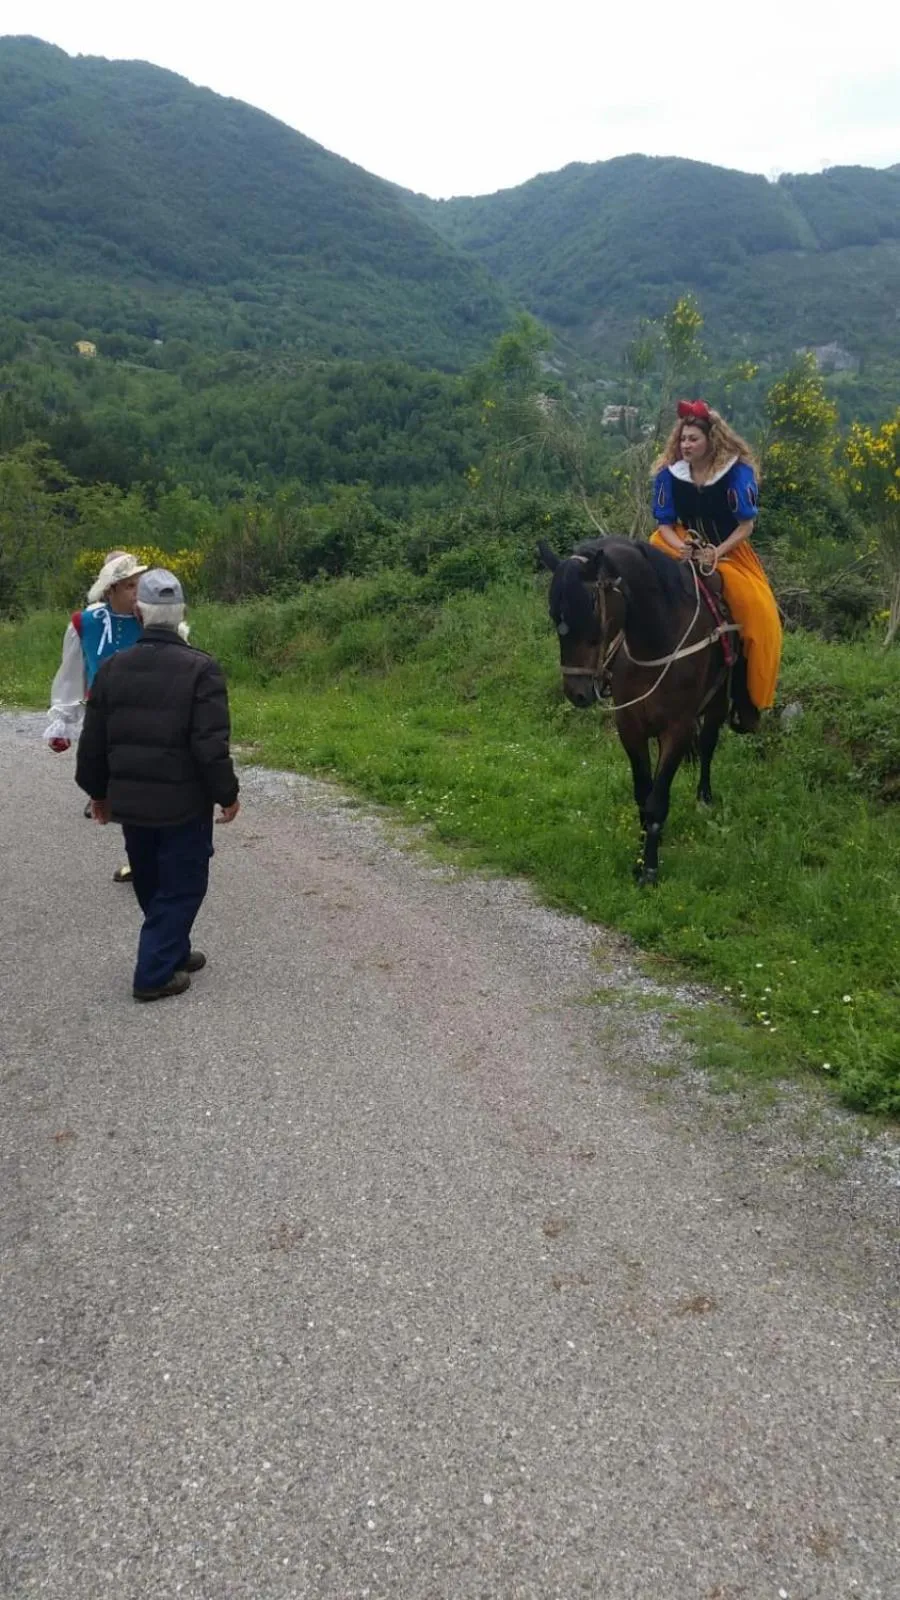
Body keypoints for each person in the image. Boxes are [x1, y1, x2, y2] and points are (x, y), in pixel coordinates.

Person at [75, 568, 240, 1002]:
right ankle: (153, 973)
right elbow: (210, 746)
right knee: (184, 883)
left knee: (150, 878)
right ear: (181, 612)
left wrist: (98, 794)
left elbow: (93, 742)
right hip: (183, 804)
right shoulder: (202, 669)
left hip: (132, 804)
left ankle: (173, 949)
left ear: (141, 612)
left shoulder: (112, 668)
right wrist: (227, 793)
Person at [649, 399, 782, 732]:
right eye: (683, 439)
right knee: (645, 559)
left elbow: (746, 526)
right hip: (683, 542)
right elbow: (664, 524)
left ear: (711, 440)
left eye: (693, 438)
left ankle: (748, 700)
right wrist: (684, 549)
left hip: (728, 551)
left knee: (759, 613)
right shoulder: (670, 473)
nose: (686, 445)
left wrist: (715, 552)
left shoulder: (736, 472)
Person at [46, 549, 148, 879]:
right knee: (117, 788)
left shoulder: (151, 619)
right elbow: (72, 671)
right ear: (111, 590)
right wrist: (62, 719)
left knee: (143, 788)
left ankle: (145, 858)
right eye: (130, 586)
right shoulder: (84, 623)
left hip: (146, 716)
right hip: (103, 719)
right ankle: (138, 853)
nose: (137, 592)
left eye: (139, 584)